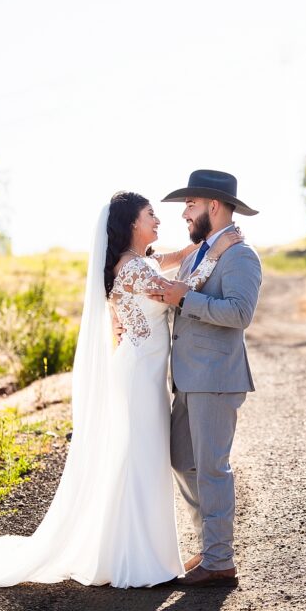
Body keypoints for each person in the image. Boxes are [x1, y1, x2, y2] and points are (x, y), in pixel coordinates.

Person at [0, 189, 243, 588]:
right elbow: (180, 292)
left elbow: (172, 262)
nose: (158, 220)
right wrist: (218, 249)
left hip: (144, 372)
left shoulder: (138, 262)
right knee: (138, 457)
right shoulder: (135, 269)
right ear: (131, 224)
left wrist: (207, 247)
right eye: (150, 214)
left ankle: (138, 550)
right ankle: (134, 556)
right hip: (139, 375)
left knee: (139, 456)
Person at [114, 169, 262, 588]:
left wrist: (185, 298)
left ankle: (220, 560)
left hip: (216, 376)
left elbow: (238, 313)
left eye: (190, 205)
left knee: (211, 468)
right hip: (186, 377)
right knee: (182, 459)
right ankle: (209, 546)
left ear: (213, 206)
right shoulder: (202, 251)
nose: (183, 214)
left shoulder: (240, 256)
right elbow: (162, 285)